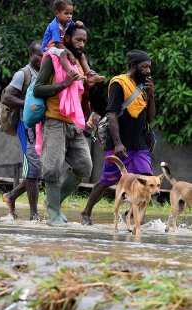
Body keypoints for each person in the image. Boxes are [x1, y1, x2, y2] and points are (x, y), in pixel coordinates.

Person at [33, 24, 102, 226]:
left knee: (84, 166)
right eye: (78, 40)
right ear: (68, 38)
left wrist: (90, 84)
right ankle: (54, 214)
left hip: (73, 122)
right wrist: (63, 84)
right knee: (52, 169)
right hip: (53, 120)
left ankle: (52, 202)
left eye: (85, 41)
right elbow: (38, 89)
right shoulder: (52, 60)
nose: (82, 44)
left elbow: (78, 95)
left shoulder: (78, 63)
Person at [80, 50, 155, 225]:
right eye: (144, 67)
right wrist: (118, 144)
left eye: (149, 67)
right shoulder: (118, 83)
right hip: (120, 145)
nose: (148, 71)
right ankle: (85, 212)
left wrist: (151, 96)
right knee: (107, 180)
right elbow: (112, 114)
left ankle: (132, 214)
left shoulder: (144, 87)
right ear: (132, 66)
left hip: (139, 144)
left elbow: (151, 118)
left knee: (147, 180)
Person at [2, 40, 43, 221]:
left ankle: (11, 196)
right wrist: (28, 104)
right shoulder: (23, 74)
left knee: (39, 168)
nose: (42, 58)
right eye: (39, 55)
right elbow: (7, 97)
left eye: (45, 55)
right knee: (33, 167)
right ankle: (34, 215)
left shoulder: (47, 73)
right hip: (26, 126)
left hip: (43, 127)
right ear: (31, 55)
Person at [41, 0, 103, 83]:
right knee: (63, 53)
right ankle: (72, 73)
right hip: (49, 47)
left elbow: (76, 30)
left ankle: (89, 74)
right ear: (57, 13)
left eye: (71, 14)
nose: (69, 16)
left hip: (58, 46)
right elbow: (58, 44)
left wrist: (79, 24)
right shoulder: (54, 26)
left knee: (82, 55)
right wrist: (70, 54)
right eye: (66, 13)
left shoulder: (68, 22)